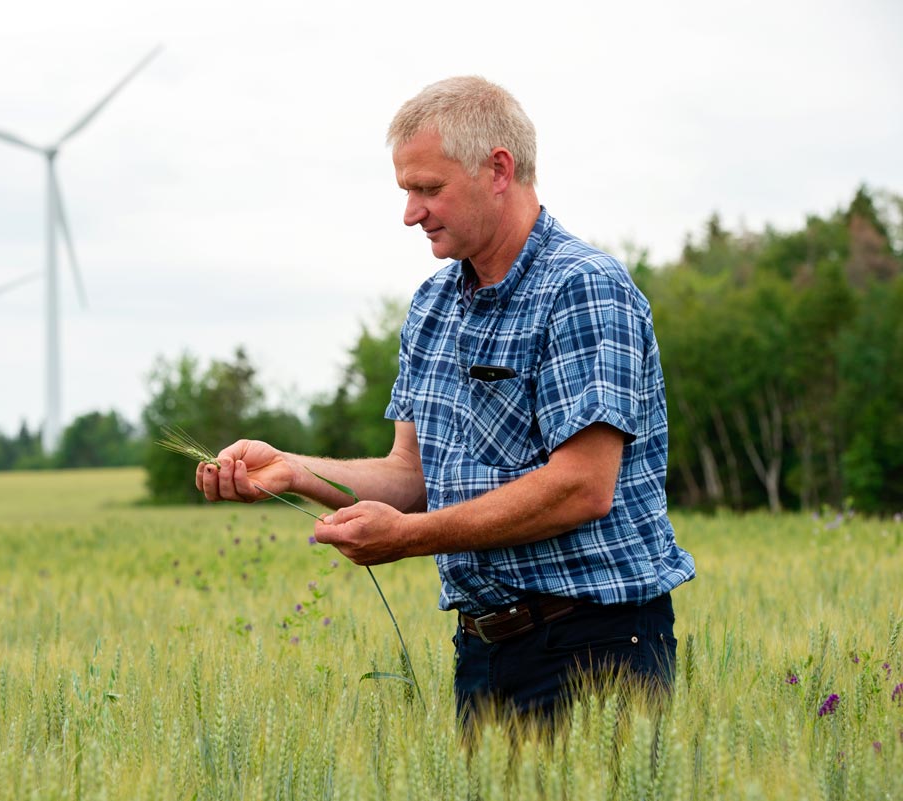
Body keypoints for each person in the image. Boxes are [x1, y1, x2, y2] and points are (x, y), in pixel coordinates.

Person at [195, 75, 695, 731]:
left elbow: (582, 487)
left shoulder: (583, 288)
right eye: (407, 190)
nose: (411, 212)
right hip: (483, 650)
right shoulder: (432, 307)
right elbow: (412, 475)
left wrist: (408, 538)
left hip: (595, 645)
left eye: (428, 189)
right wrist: (293, 470)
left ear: (498, 169)